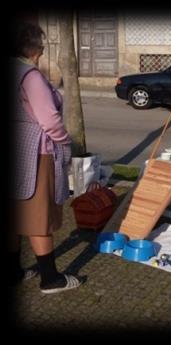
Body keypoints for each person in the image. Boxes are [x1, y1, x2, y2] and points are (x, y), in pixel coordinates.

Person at [9, 22, 82, 293]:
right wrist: (65, 141)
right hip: (34, 155)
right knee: (39, 218)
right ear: (32, 47)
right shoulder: (30, 76)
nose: (41, 51)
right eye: (40, 46)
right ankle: (50, 279)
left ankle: (13, 271)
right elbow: (50, 121)